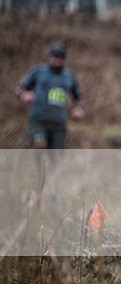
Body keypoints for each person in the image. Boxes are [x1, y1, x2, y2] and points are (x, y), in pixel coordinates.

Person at [15, 43, 85, 198]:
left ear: (64, 60)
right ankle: (36, 177)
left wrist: (79, 109)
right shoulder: (38, 72)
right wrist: (24, 94)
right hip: (38, 120)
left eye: (61, 57)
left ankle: (52, 193)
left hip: (59, 124)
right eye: (55, 56)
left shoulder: (69, 76)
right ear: (49, 57)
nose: (58, 60)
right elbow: (20, 87)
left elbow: (78, 97)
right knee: (39, 145)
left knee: (57, 158)